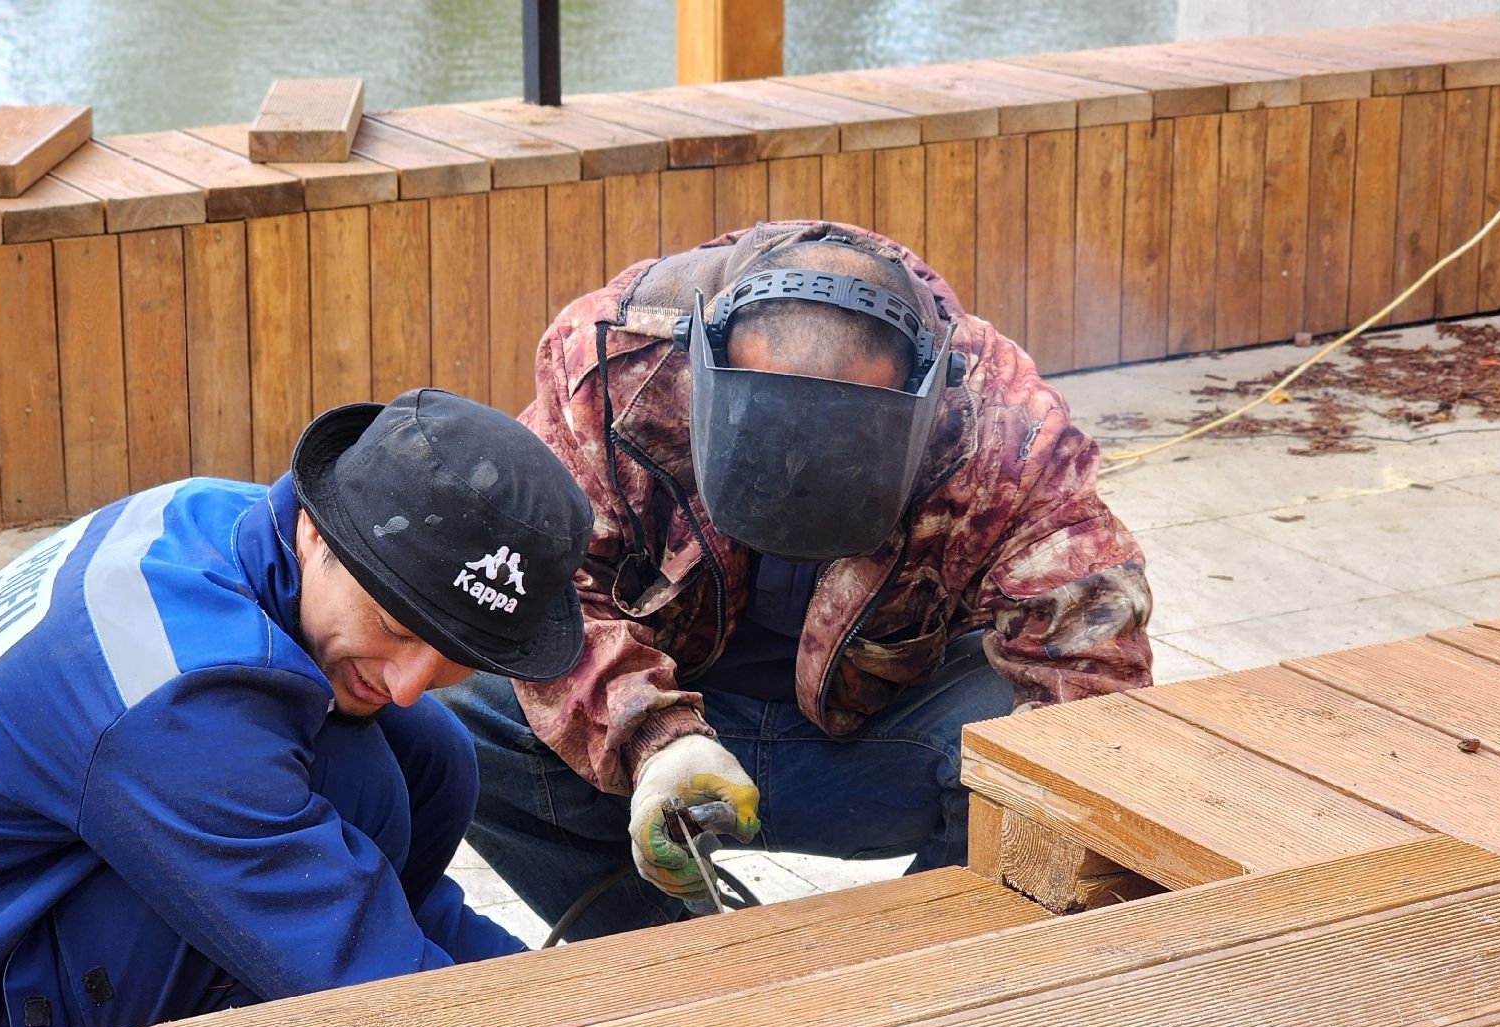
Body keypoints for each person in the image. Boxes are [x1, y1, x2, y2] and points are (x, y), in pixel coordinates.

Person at [0, 388, 593, 1027]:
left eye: (449, 656)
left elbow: (400, 920)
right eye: (395, 627)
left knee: (428, 751)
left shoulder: (231, 521)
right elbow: (364, 973)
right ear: (319, 535)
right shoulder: (175, 694)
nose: (410, 680)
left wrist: (568, 1003)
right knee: (353, 794)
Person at [437, 221, 1154, 941]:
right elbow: (543, 586)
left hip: (881, 745)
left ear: (920, 390)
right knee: (458, 708)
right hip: (677, 715)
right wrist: (653, 736)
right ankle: (674, 958)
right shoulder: (618, 363)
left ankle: (919, 964)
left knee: (1046, 750)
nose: (796, 473)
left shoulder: (1004, 426)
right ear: (708, 359)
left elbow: (1090, 675)